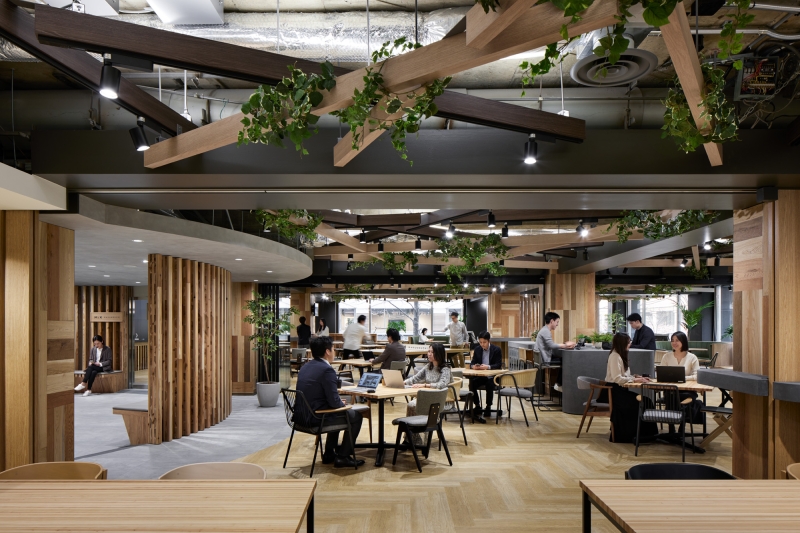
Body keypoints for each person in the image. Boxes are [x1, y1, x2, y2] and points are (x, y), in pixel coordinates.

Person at [295, 336, 364, 468]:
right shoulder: (327, 370)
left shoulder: (305, 367)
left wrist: (337, 403)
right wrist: (340, 404)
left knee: (338, 412)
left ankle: (329, 454)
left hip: (301, 417)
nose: (334, 351)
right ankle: (343, 457)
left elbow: (320, 395)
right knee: (356, 417)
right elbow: (334, 403)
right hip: (316, 419)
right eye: (333, 349)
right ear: (327, 351)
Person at [602, 332, 657, 443]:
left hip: (620, 390)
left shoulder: (620, 355)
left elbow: (623, 376)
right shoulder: (615, 356)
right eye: (628, 342)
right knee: (644, 402)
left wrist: (636, 377)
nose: (630, 344)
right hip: (613, 392)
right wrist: (635, 380)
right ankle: (642, 434)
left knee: (646, 401)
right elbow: (617, 378)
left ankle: (646, 434)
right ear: (622, 343)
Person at [661, 331, 704, 422]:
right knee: (671, 396)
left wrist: (683, 378)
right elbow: (661, 374)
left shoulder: (692, 357)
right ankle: (672, 425)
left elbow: (697, 375)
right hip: (670, 389)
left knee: (680, 399)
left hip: (687, 390)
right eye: (672, 340)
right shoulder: (666, 356)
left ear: (683, 341)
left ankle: (681, 424)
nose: (674, 343)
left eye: (677, 340)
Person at [404, 343, 452, 416]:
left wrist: (425, 385)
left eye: (432, 352)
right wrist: (403, 382)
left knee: (414, 405)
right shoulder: (428, 366)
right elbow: (416, 378)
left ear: (439, 354)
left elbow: (442, 385)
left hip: (443, 400)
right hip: (429, 396)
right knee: (411, 405)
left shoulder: (446, 369)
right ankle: (415, 423)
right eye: (428, 351)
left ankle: (423, 422)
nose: (429, 354)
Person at [534, 312, 575, 390]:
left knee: (562, 359)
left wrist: (564, 345)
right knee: (566, 361)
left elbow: (551, 344)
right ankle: (559, 385)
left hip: (543, 357)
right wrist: (566, 345)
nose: (557, 324)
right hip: (545, 360)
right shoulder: (546, 331)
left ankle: (559, 384)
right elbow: (552, 345)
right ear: (552, 321)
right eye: (557, 322)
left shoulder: (544, 330)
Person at [469, 331, 503, 423]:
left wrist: (488, 367)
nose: (482, 344)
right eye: (480, 342)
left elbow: (498, 364)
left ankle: (488, 406)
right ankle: (477, 405)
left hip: (493, 377)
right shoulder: (477, 349)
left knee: (489, 384)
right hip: (482, 376)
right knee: (472, 384)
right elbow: (472, 362)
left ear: (489, 341)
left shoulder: (496, 350)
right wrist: (473, 366)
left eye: (484, 342)